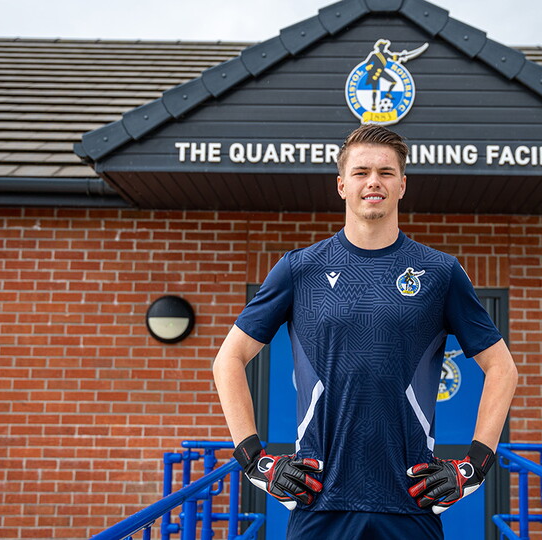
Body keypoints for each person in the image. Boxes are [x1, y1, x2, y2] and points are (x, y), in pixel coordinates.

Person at [212, 124, 518, 539]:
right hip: (319, 501)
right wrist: (253, 459)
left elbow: (501, 367)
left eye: (386, 172)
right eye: (361, 172)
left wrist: (476, 464)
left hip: (410, 502)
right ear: (342, 185)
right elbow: (228, 359)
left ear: (402, 185)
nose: (373, 181)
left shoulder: (440, 272)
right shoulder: (299, 269)